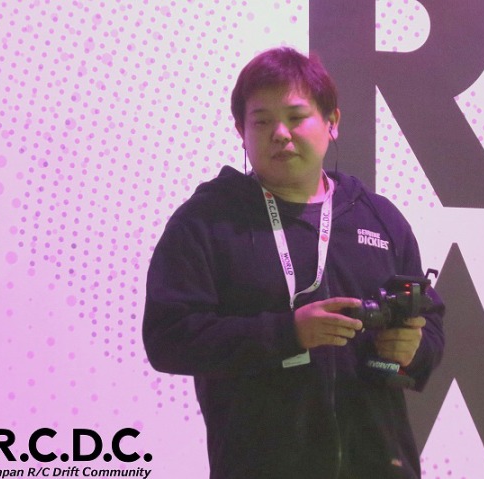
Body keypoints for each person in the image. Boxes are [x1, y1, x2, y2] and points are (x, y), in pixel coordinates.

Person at [143, 47, 444, 479]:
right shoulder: (207, 222)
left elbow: (429, 318)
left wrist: (413, 350)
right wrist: (287, 333)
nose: (280, 134)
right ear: (241, 131)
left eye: (296, 117)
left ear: (332, 122)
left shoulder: (378, 217)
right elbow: (169, 337)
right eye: (262, 121)